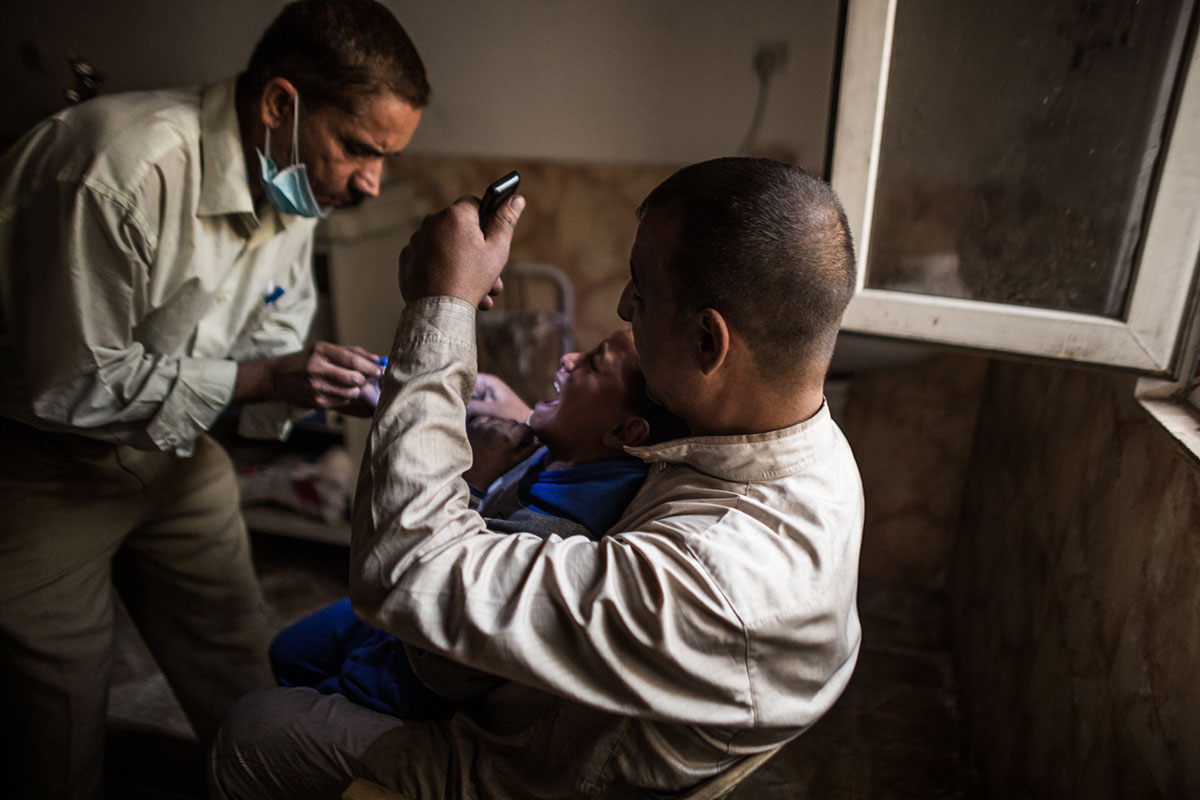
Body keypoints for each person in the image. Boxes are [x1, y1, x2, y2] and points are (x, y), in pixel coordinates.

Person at [211, 157, 864, 800]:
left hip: (518, 769)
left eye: (642, 289)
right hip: (541, 705)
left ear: (706, 341)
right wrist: (517, 414)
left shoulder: (717, 582)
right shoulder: (811, 451)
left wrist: (442, 307)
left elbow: (405, 574)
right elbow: (605, 451)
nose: (624, 303)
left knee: (251, 733)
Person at [0, 1, 429, 797]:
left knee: (239, 668)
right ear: (279, 104)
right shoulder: (116, 172)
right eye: (359, 149)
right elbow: (70, 382)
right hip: (37, 467)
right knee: (55, 718)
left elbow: (272, 346)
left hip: (174, 455)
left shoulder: (297, 186)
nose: (371, 183)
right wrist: (267, 379)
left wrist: (316, 379)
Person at [269, 328, 689, 718]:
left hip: (418, 667)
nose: (568, 359)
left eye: (593, 364)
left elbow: (438, 593)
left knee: (279, 711)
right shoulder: (589, 457)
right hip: (394, 632)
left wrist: (472, 482)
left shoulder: (560, 535)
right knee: (286, 652)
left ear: (624, 431)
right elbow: (548, 429)